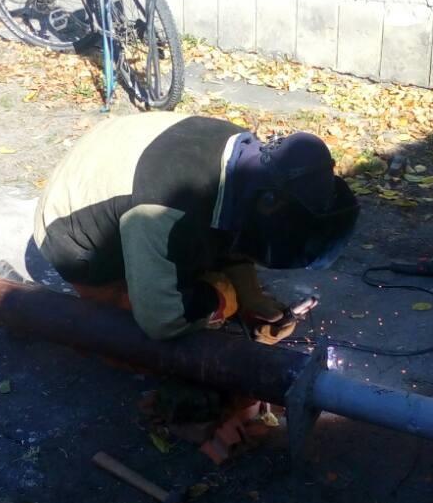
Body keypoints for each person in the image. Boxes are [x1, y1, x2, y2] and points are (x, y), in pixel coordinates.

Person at [28, 114, 358, 343]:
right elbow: (161, 322)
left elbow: (237, 228)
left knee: (199, 266)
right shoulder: (163, 210)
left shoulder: (246, 160)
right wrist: (225, 299)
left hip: (121, 168)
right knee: (148, 342)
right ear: (270, 203)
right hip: (74, 236)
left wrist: (251, 297)